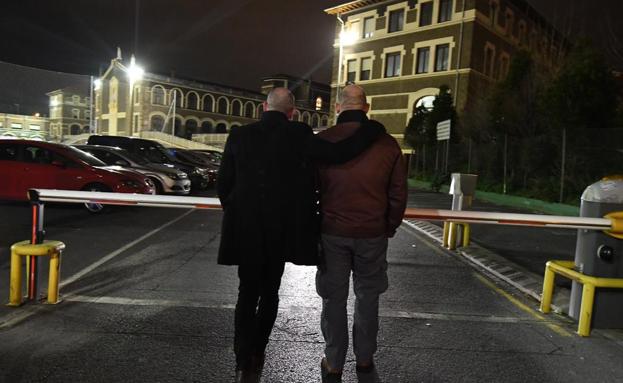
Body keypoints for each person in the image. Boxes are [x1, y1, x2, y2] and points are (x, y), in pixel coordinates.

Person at [216, 87, 384, 382]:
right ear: (291, 112)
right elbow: (339, 152)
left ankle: (243, 362)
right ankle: (258, 350)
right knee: (269, 293)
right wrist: (371, 129)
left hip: (247, 230)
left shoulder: (239, 135)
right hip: (281, 231)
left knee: (246, 294)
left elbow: (223, 185)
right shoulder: (298, 134)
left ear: (263, 108)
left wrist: (238, 211)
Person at [315, 84, 407, 380]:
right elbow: (398, 193)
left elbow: (309, 188)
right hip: (372, 233)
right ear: (367, 108)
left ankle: (334, 361)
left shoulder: (323, 141)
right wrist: (389, 225)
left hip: (332, 231)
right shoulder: (388, 144)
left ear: (338, 108)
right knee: (368, 297)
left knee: (333, 297)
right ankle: (365, 359)